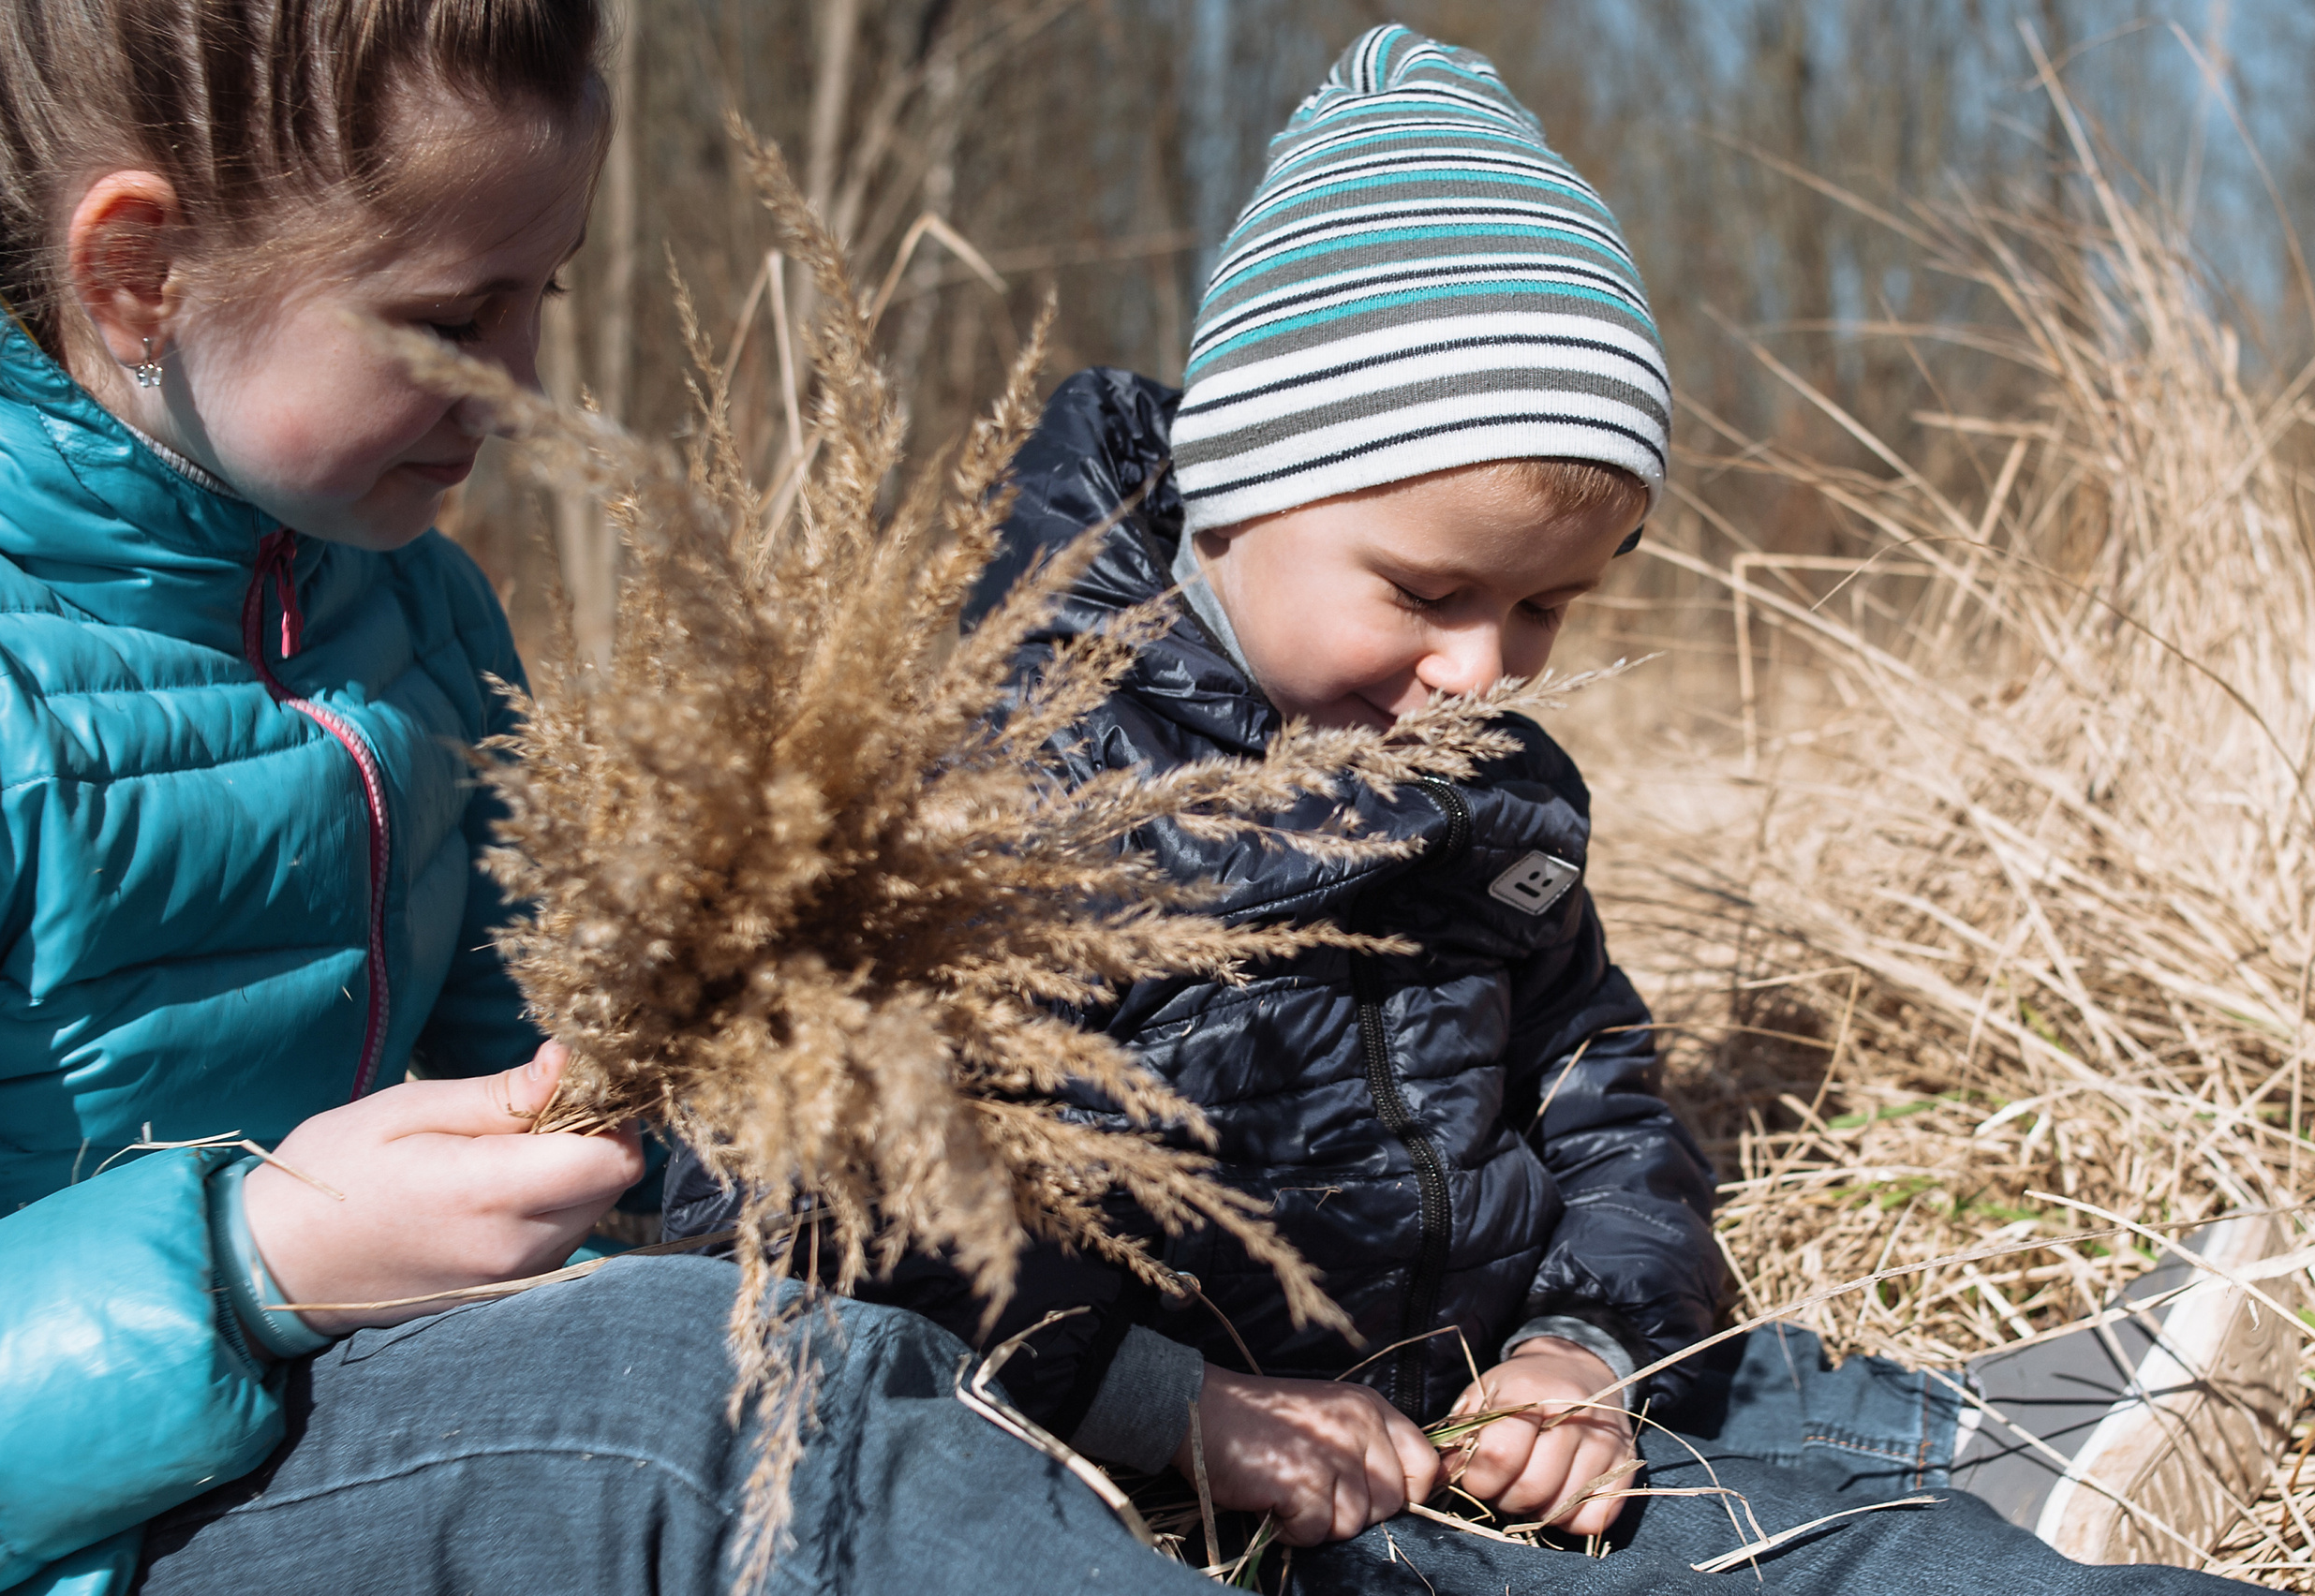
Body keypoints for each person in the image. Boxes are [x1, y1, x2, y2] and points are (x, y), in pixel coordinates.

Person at [668, 23, 2279, 1590]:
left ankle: (1991, 1428)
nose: (1478, 669)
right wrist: (1168, 1405)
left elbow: (1597, 1082)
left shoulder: (1490, 790)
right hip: (1186, 1457)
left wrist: (1583, 1345)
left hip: (1467, 1374)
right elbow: (827, 1195)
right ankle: (1966, 1525)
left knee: (1737, 1382)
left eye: (1545, 612)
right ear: (1235, 490)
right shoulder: (1007, 765)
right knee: (1708, 1552)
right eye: (1427, 590)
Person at [0, 7, 1220, 1595]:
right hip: (74, 1525)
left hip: (353, 1400)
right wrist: (251, 1265)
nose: (526, 386)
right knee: (698, 1424)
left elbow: (537, 1075)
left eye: (547, 293)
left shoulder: (413, 615)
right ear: (141, 275)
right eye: (454, 319)